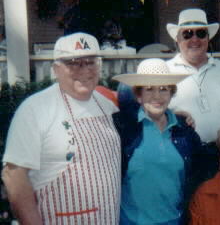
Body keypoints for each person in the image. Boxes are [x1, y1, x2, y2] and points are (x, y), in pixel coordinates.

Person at [2, 32, 121, 224]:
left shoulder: (107, 104)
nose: (84, 70)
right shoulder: (35, 109)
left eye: (91, 62)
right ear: (56, 69)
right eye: (73, 63)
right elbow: (13, 175)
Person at [113, 58, 202, 225]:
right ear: (138, 96)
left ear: (171, 93)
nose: (157, 96)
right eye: (149, 89)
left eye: (163, 89)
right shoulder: (123, 128)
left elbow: (201, 169)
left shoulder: (183, 130)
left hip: (174, 221)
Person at [165, 8, 220, 180]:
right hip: (185, 156)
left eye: (201, 33)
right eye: (187, 34)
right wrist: (172, 115)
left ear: (208, 38)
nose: (194, 39)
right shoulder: (166, 71)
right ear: (177, 38)